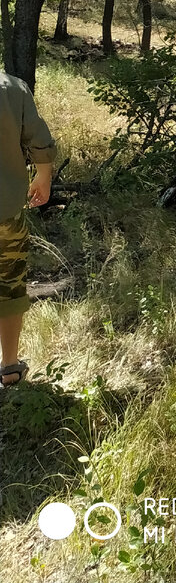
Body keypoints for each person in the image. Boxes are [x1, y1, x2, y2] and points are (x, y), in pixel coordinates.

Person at [0, 71, 56, 387]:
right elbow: (38, 138)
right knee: (8, 284)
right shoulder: (11, 88)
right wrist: (43, 176)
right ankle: (9, 367)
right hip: (5, 212)